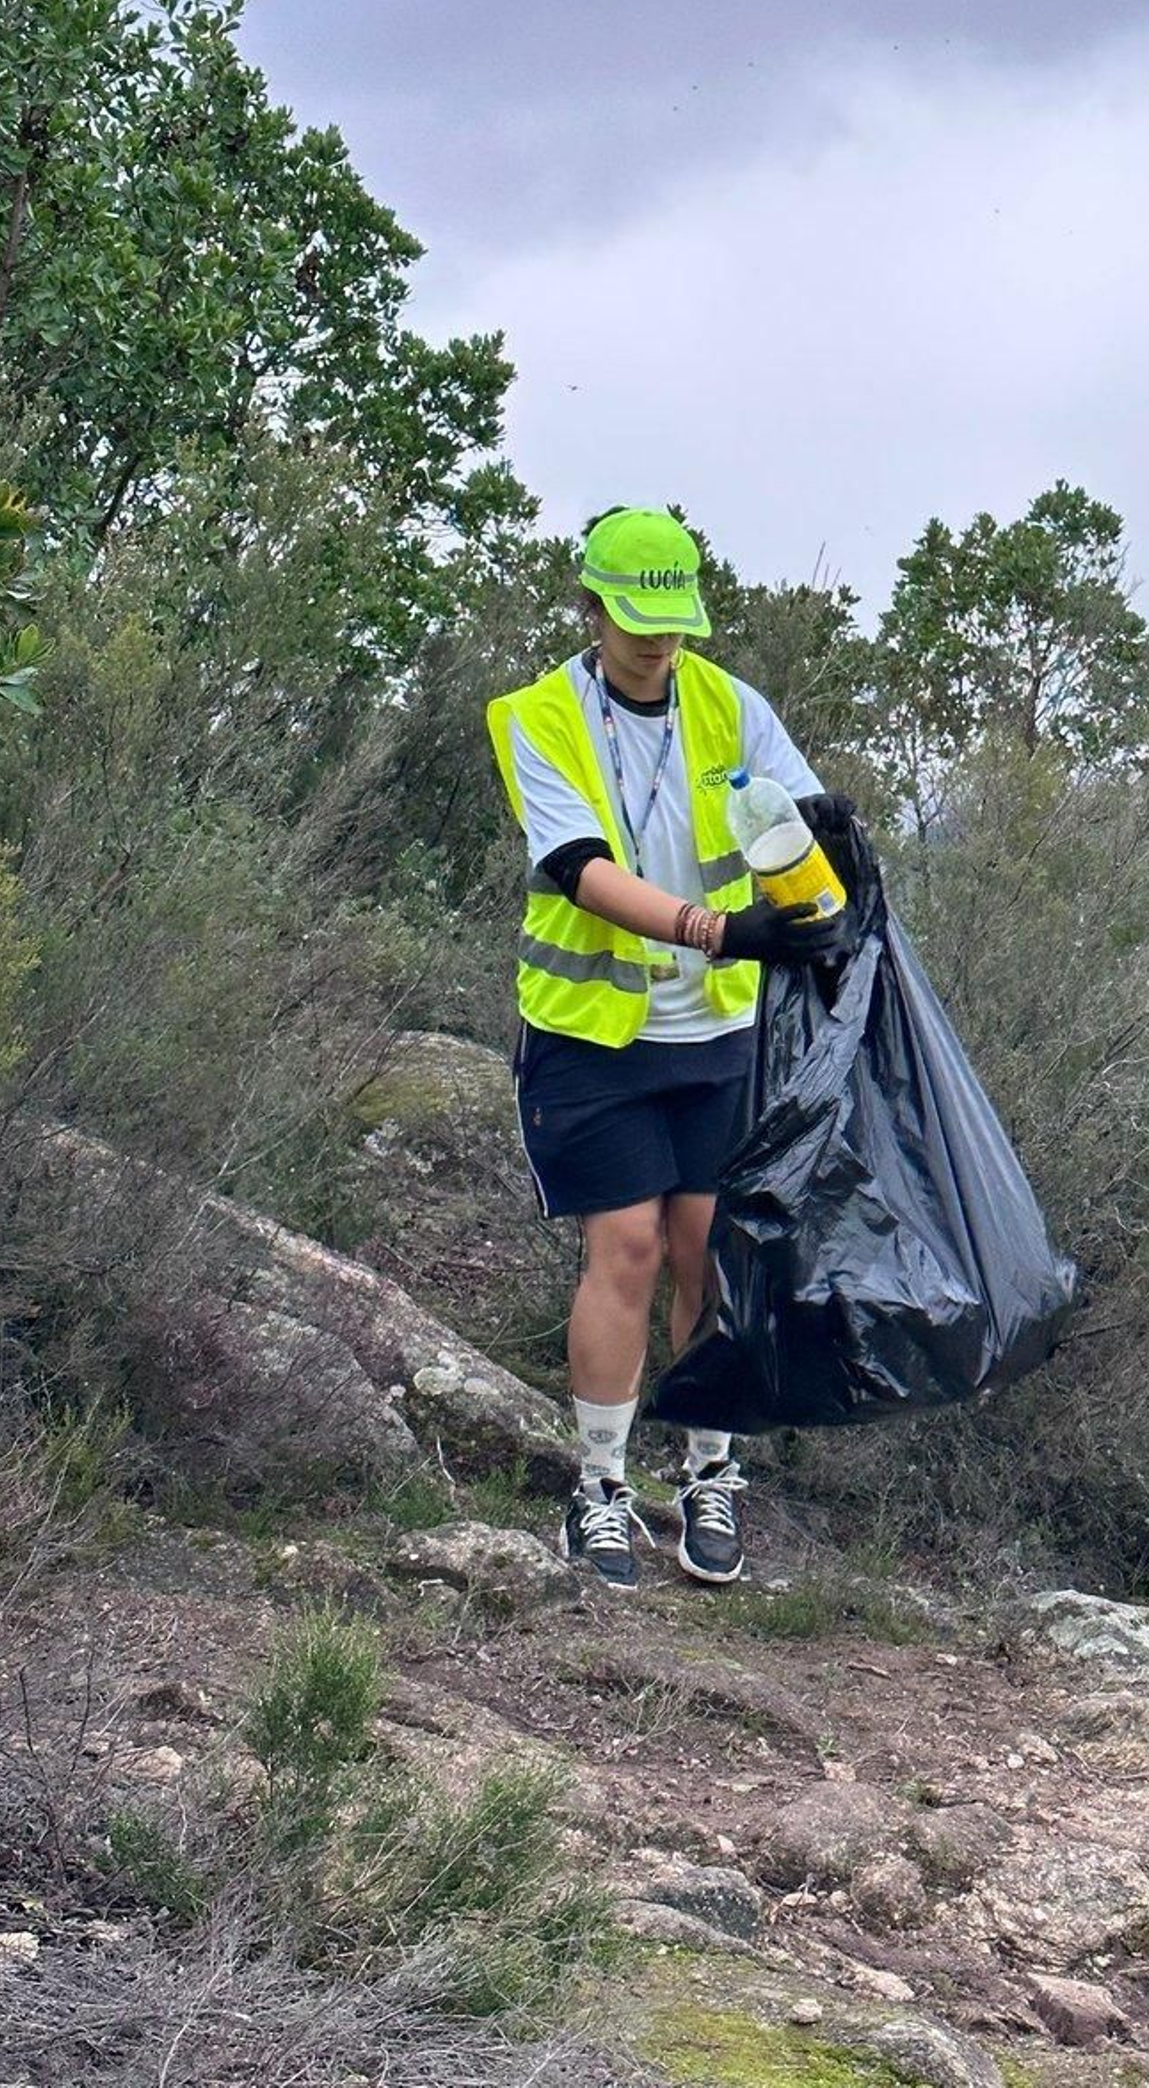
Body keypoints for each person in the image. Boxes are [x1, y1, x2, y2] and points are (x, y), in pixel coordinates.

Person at [486, 506, 853, 1591]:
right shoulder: (538, 715)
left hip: (715, 1035)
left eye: (672, 623)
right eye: (636, 621)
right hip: (593, 1035)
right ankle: (598, 1487)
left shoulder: (725, 703)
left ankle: (707, 1473)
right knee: (629, 1251)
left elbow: (804, 811)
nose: (658, 643)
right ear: (591, 607)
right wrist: (715, 928)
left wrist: (836, 869)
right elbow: (580, 868)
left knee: (705, 1251)